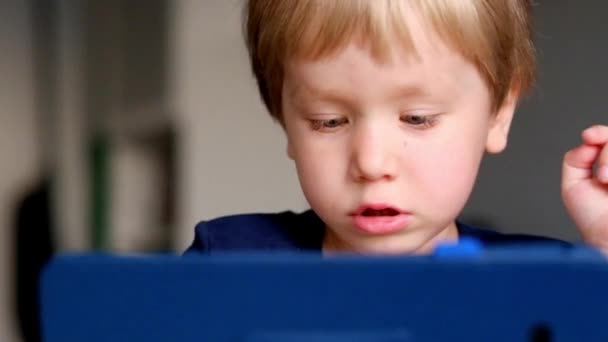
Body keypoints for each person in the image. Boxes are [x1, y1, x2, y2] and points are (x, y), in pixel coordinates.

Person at [185, 0, 608, 255]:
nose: (370, 163)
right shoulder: (228, 259)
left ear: (499, 113)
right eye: (328, 121)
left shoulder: (546, 283)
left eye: (417, 118)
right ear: (285, 120)